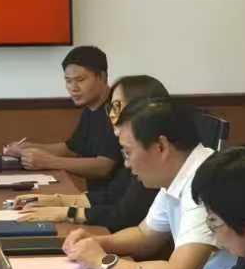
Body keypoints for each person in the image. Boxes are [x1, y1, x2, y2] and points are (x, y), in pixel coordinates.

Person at [62, 98, 231, 269]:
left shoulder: (206, 180)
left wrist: (103, 262)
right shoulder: (179, 172)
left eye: (128, 152)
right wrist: (96, 243)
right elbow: (145, 235)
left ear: (161, 147)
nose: (126, 164)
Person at [15, 73, 166, 231]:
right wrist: (57, 200)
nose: (111, 115)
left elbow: (124, 216)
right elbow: (112, 195)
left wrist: (67, 212)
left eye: (117, 107)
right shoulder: (94, 116)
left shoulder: (154, 155)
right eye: (111, 107)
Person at [4, 45, 120, 183]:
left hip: (116, 195)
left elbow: (103, 166)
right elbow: (71, 149)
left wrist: (49, 162)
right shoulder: (90, 109)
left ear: (102, 77)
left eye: (80, 80)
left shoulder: (117, 108)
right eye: (68, 81)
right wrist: (27, 148)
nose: (73, 88)